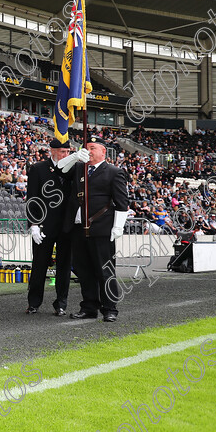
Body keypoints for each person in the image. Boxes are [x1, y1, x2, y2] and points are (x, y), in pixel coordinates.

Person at [62, 136, 127, 322]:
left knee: (105, 270)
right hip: (78, 228)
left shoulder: (114, 172)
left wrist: (118, 227)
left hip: (101, 228)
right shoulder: (79, 168)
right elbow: (59, 169)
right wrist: (74, 156)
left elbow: (122, 203)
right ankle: (89, 307)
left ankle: (110, 308)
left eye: (92, 148)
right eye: (86, 148)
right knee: (84, 271)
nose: (88, 151)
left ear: (103, 151)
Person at [25, 140, 74, 316]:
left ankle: (61, 303)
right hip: (44, 224)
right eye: (62, 151)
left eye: (68, 151)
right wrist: (34, 224)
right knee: (39, 264)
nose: (65, 155)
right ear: (52, 151)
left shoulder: (74, 168)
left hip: (67, 226)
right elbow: (32, 198)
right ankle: (34, 302)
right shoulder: (38, 169)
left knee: (64, 266)